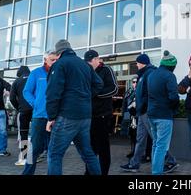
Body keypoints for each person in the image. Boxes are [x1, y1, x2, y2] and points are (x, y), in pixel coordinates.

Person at [45, 40, 104, 175]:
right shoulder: (84, 64)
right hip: (84, 116)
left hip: (67, 116)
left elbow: (52, 93)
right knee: (88, 154)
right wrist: (85, 96)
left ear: (58, 53)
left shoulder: (59, 64)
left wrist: (51, 117)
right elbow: (98, 84)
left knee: (54, 154)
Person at [120, 53, 178, 173]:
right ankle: (136, 164)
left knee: (157, 143)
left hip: (148, 112)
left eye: (137, 62)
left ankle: (170, 162)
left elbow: (150, 94)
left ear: (142, 63)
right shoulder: (145, 75)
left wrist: (145, 107)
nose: (136, 64)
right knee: (145, 140)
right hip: (147, 112)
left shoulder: (150, 74)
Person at [22, 50, 58, 175]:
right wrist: (35, 103)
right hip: (40, 116)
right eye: (52, 59)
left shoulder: (60, 73)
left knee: (54, 151)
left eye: (56, 60)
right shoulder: (36, 73)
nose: (55, 62)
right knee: (34, 149)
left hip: (56, 118)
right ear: (45, 60)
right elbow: (26, 92)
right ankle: (27, 173)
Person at [84, 49, 119, 175]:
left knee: (103, 147)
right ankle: (89, 171)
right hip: (88, 115)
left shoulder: (106, 70)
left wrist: (96, 94)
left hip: (103, 114)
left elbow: (114, 89)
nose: (88, 64)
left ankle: (104, 172)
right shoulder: (86, 71)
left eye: (89, 62)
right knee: (90, 147)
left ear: (96, 60)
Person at [147, 50, 180, 175]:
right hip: (164, 116)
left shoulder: (151, 75)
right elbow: (174, 97)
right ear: (171, 65)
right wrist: (174, 109)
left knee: (156, 144)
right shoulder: (169, 76)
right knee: (161, 146)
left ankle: (155, 171)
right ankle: (157, 173)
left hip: (152, 115)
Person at [9, 65, 32, 166]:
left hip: (24, 111)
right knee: (39, 133)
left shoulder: (17, 81)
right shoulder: (34, 77)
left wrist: (18, 107)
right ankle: (39, 153)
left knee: (24, 134)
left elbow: (12, 98)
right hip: (36, 110)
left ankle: (24, 155)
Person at [122, 76, 138, 158]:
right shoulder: (129, 91)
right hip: (129, 115)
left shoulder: (140, 91)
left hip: (137, 116)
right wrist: (123, 114)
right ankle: (133, 151)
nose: (135, 83)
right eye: (133, 82)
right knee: (131, 134)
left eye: (136, 82)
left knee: (138, 135)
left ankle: (139, 152)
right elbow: (125, 103)